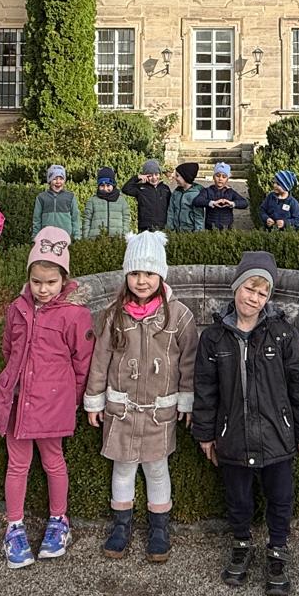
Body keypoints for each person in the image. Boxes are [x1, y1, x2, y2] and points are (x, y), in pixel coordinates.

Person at [192, 250, 299, 596]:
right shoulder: (214, 338)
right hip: (232, 436)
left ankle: (278, 549)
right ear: (236, 287)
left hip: (277, 437)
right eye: (250, 288)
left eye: (263, 293)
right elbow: (205, 390)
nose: (254, 297)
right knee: (238, 498)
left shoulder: (282, 334)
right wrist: (205, 433)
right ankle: (241, 543)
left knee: (280, 497)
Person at [83, 231, 198, 562]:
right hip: (122, 409)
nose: (141, 280)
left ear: (160, 275)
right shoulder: (113, 315)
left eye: (149, 273)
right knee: (123, 469)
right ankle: (121, 526)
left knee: (157, 468)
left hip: (159, 412)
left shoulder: (179, 316)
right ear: (126, 275)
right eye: (135, 273)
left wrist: (187, 401)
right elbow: (100, 360)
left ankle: (159, 528)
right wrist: (95, 399)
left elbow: (188, 362)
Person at [0, 227, 96, 568]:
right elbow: (9, 348)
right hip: (18, 401)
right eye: (37, 281)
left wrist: (71, 399)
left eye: (51, 282)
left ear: (64, 279)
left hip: (52, 403)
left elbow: (83, 362)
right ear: (29, 278)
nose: (43, 289)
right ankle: (14, 526)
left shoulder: (75, 315)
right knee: (17, 464)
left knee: (53, 461)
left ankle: (59, 520)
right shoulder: (17, 309)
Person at [192, 163, 248, 230]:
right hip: (210, 227)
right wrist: (211, 203)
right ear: (213, 177)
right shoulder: (207, 191)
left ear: (227, 179)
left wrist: (232, 203)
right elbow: (197, 201)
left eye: (224, 177)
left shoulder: (230, 192)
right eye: (218, 176)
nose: (220, 179)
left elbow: (245, 203)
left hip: (227, 228)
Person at [122, 160, 172, 231]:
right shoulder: (140, 188)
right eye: (150, 175)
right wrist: (137, 177)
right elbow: (125, 189)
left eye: (156, 174)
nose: (154, 178)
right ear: (145, 176)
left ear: (160, 174)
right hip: (145, 227)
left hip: (162, 226)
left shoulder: (165, 189)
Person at [31, 164, 79, 238]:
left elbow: (75, 218)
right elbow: (37, 219)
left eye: (61, 178)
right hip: (46, 236)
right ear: (49, 181)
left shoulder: (70, 197)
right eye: (55, 178)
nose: (58, 181)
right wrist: (35, 237)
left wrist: (77, 236)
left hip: (65, 236)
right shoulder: (41, 197)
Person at [82, 167, 130, 239]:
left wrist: (124, 235)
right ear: (98, 186)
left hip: (117, 239)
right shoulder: (92, 201)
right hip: (95, 240)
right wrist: (86, 238)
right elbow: (87, 220)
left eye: (108, 185)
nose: (105, 188)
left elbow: (126, 220)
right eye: (102, 186)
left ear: (113, 185)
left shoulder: (121, 201)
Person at [166, 162, 206, 232]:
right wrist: (170, 229)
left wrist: (198, 235)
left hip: (189, 232)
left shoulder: (196, 195)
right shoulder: (176, 192)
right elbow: (171, 211)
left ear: (186, 177)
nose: (175, 178)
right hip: (176, 231)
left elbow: (198, 217)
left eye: (177, 175)